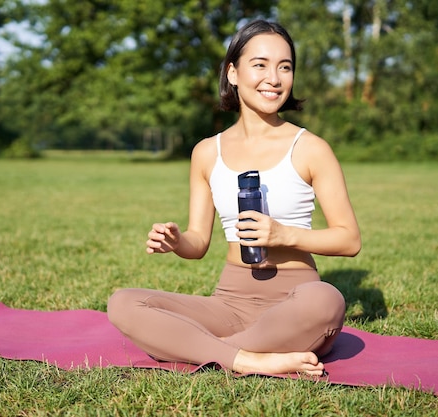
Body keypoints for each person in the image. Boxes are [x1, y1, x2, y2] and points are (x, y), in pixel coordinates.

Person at [107, 19, 361, 376]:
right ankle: (250, 358)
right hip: (228, 303)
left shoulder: (311, 149)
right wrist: (178, 241)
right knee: (124, 303)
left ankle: (204, 350)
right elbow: (198, 243)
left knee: (328, 300)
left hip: (295, 300)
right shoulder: (207, 152)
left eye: (285, 67)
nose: (274, 78)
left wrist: (283, 235)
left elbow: (349, 239)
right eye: (260, 64)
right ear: (233, 73)